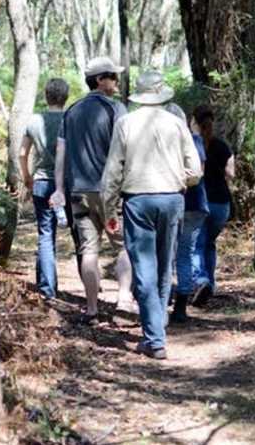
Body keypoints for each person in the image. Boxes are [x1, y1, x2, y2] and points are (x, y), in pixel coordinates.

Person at [101, 71, 202, 359]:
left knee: (144, 267)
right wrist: (178, 181)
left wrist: (108, 209)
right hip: (172, 199)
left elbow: (112, 172)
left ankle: (154, 338)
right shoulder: (176, 123)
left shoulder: (125, 123)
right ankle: (158, 330)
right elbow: (195, 170)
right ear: (162, 95)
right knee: (163, 265)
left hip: (138, 201)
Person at [50, 57, 132, 324]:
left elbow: (60, 154)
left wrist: (59, 188)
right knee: (123, 246)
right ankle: (122, 299)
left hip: (78, 193)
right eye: (113, 76)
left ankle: (92, 309)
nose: (117, 82)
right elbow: (127, 149)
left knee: (89, 250)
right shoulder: (116, 109)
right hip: (109, 194)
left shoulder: (71, 112)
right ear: (100, 80)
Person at [20, 78, 69, 300]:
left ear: (46, 96)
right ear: (65, 97)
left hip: (41, 181)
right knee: (80, 236)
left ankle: (47, 288)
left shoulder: (34, 120)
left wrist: (27, 178)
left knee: (45, 234)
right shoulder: (70, 119)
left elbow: (22, 153)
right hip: (67, 185)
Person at [192, 105, 235, 306]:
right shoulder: (223, 146)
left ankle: (201, 281)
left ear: (194, 122)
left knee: (197, 244)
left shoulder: (192, 146)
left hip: (200, 201)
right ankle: (210, 284)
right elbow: (231, 174)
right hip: (222, 203)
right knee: (209, 243)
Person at [171, 113, 209, 324]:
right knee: (185, 254)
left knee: (167, 254)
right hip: (197, 205)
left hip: (176, 202)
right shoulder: (194, 140)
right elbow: (199, 170)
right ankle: (180, 307)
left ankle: (165, 297)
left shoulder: (168, 141)